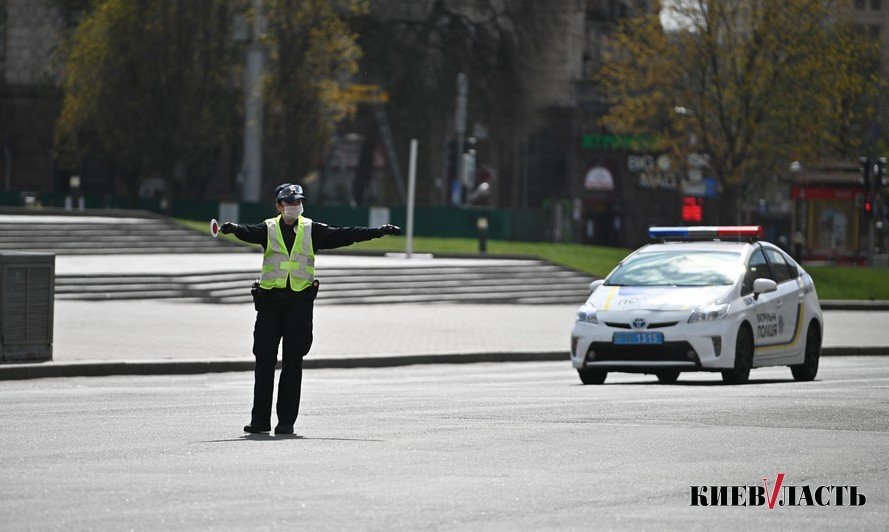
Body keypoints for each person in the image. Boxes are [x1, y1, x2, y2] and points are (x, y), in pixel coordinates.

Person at [219, 183, 402, 434]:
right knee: (264, 362)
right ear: (279, 206)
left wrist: (376, 232)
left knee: (293, 363)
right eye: (290, 203)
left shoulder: (311, 229)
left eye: (298, 202)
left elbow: (345, 234)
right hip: (270, 304)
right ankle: (260, 420)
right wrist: (234, 228)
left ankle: (286, 422)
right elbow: (249, 232)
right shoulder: (269, 228)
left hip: (299, 305)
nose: (295, 206)